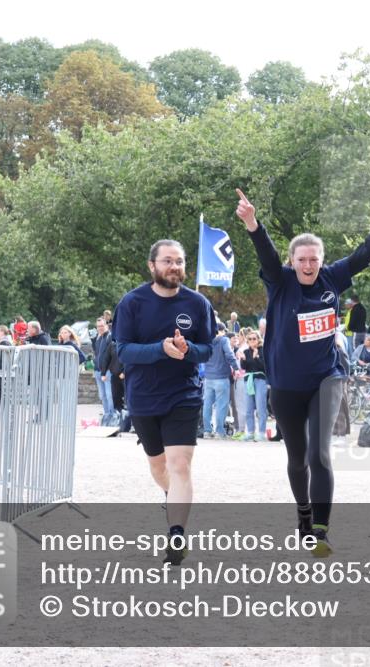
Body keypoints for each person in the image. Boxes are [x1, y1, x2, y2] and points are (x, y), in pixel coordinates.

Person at [235, 182, 370, 556]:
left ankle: (322, 532)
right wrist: (252, 224)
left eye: (314, 260)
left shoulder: (332, 278)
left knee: (319, 455)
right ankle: (304, 514)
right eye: (302, 260)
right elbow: (265, 255)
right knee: (297, 458)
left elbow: (364, 255)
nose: (309, 266)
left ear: (322, 261)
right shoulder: (279, 282)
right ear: (292, 262)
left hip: (327, 378)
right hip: (285, 385)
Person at [113, 239, 215, 566]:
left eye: (180, 262)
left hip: (184, 395)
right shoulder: (132, 303)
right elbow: (124, 350)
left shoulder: (198, 304)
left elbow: (207, 349)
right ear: (152, 266)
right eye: (168, 261)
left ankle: (176, 535)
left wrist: (187, 351)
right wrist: (161, 349)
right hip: (143, 398)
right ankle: (172, 498)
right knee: (159, 467)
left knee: (180, 465)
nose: (175, 267)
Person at [202, 323, 239, 439]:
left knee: (207, 405)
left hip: (208, 377)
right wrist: (236, 368)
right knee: (221, 406)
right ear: (221, 330)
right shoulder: (224, 340)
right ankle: (219, 431)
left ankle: (207, 431)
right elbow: (229, 354)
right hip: (222, 377)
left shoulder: (205, 340)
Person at [240, 328, 268, 441]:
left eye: (254, 338)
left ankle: (261, 433)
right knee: (248, 408)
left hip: (260, 380)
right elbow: (244, 367)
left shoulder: (262, 350)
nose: (252, 340)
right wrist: (243, 360)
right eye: (249, 339)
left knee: (261, 408)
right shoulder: (246, 351)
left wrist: (256, 357)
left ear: (258, 339)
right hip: (248, 380)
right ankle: (250, 432)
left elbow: (264, 367)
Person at [92, 317, 116, 426]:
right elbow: (97, 354)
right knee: (102, 396)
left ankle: (112, 417)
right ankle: (106, 417)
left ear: (106, 326)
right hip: (97, 371)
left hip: (107, 371)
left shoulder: (110, 337)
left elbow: (112, 356)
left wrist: (106, 371)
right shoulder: (98, 338)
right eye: (98, 327)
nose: (100, 328)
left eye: (102, 326)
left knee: (109, 395)